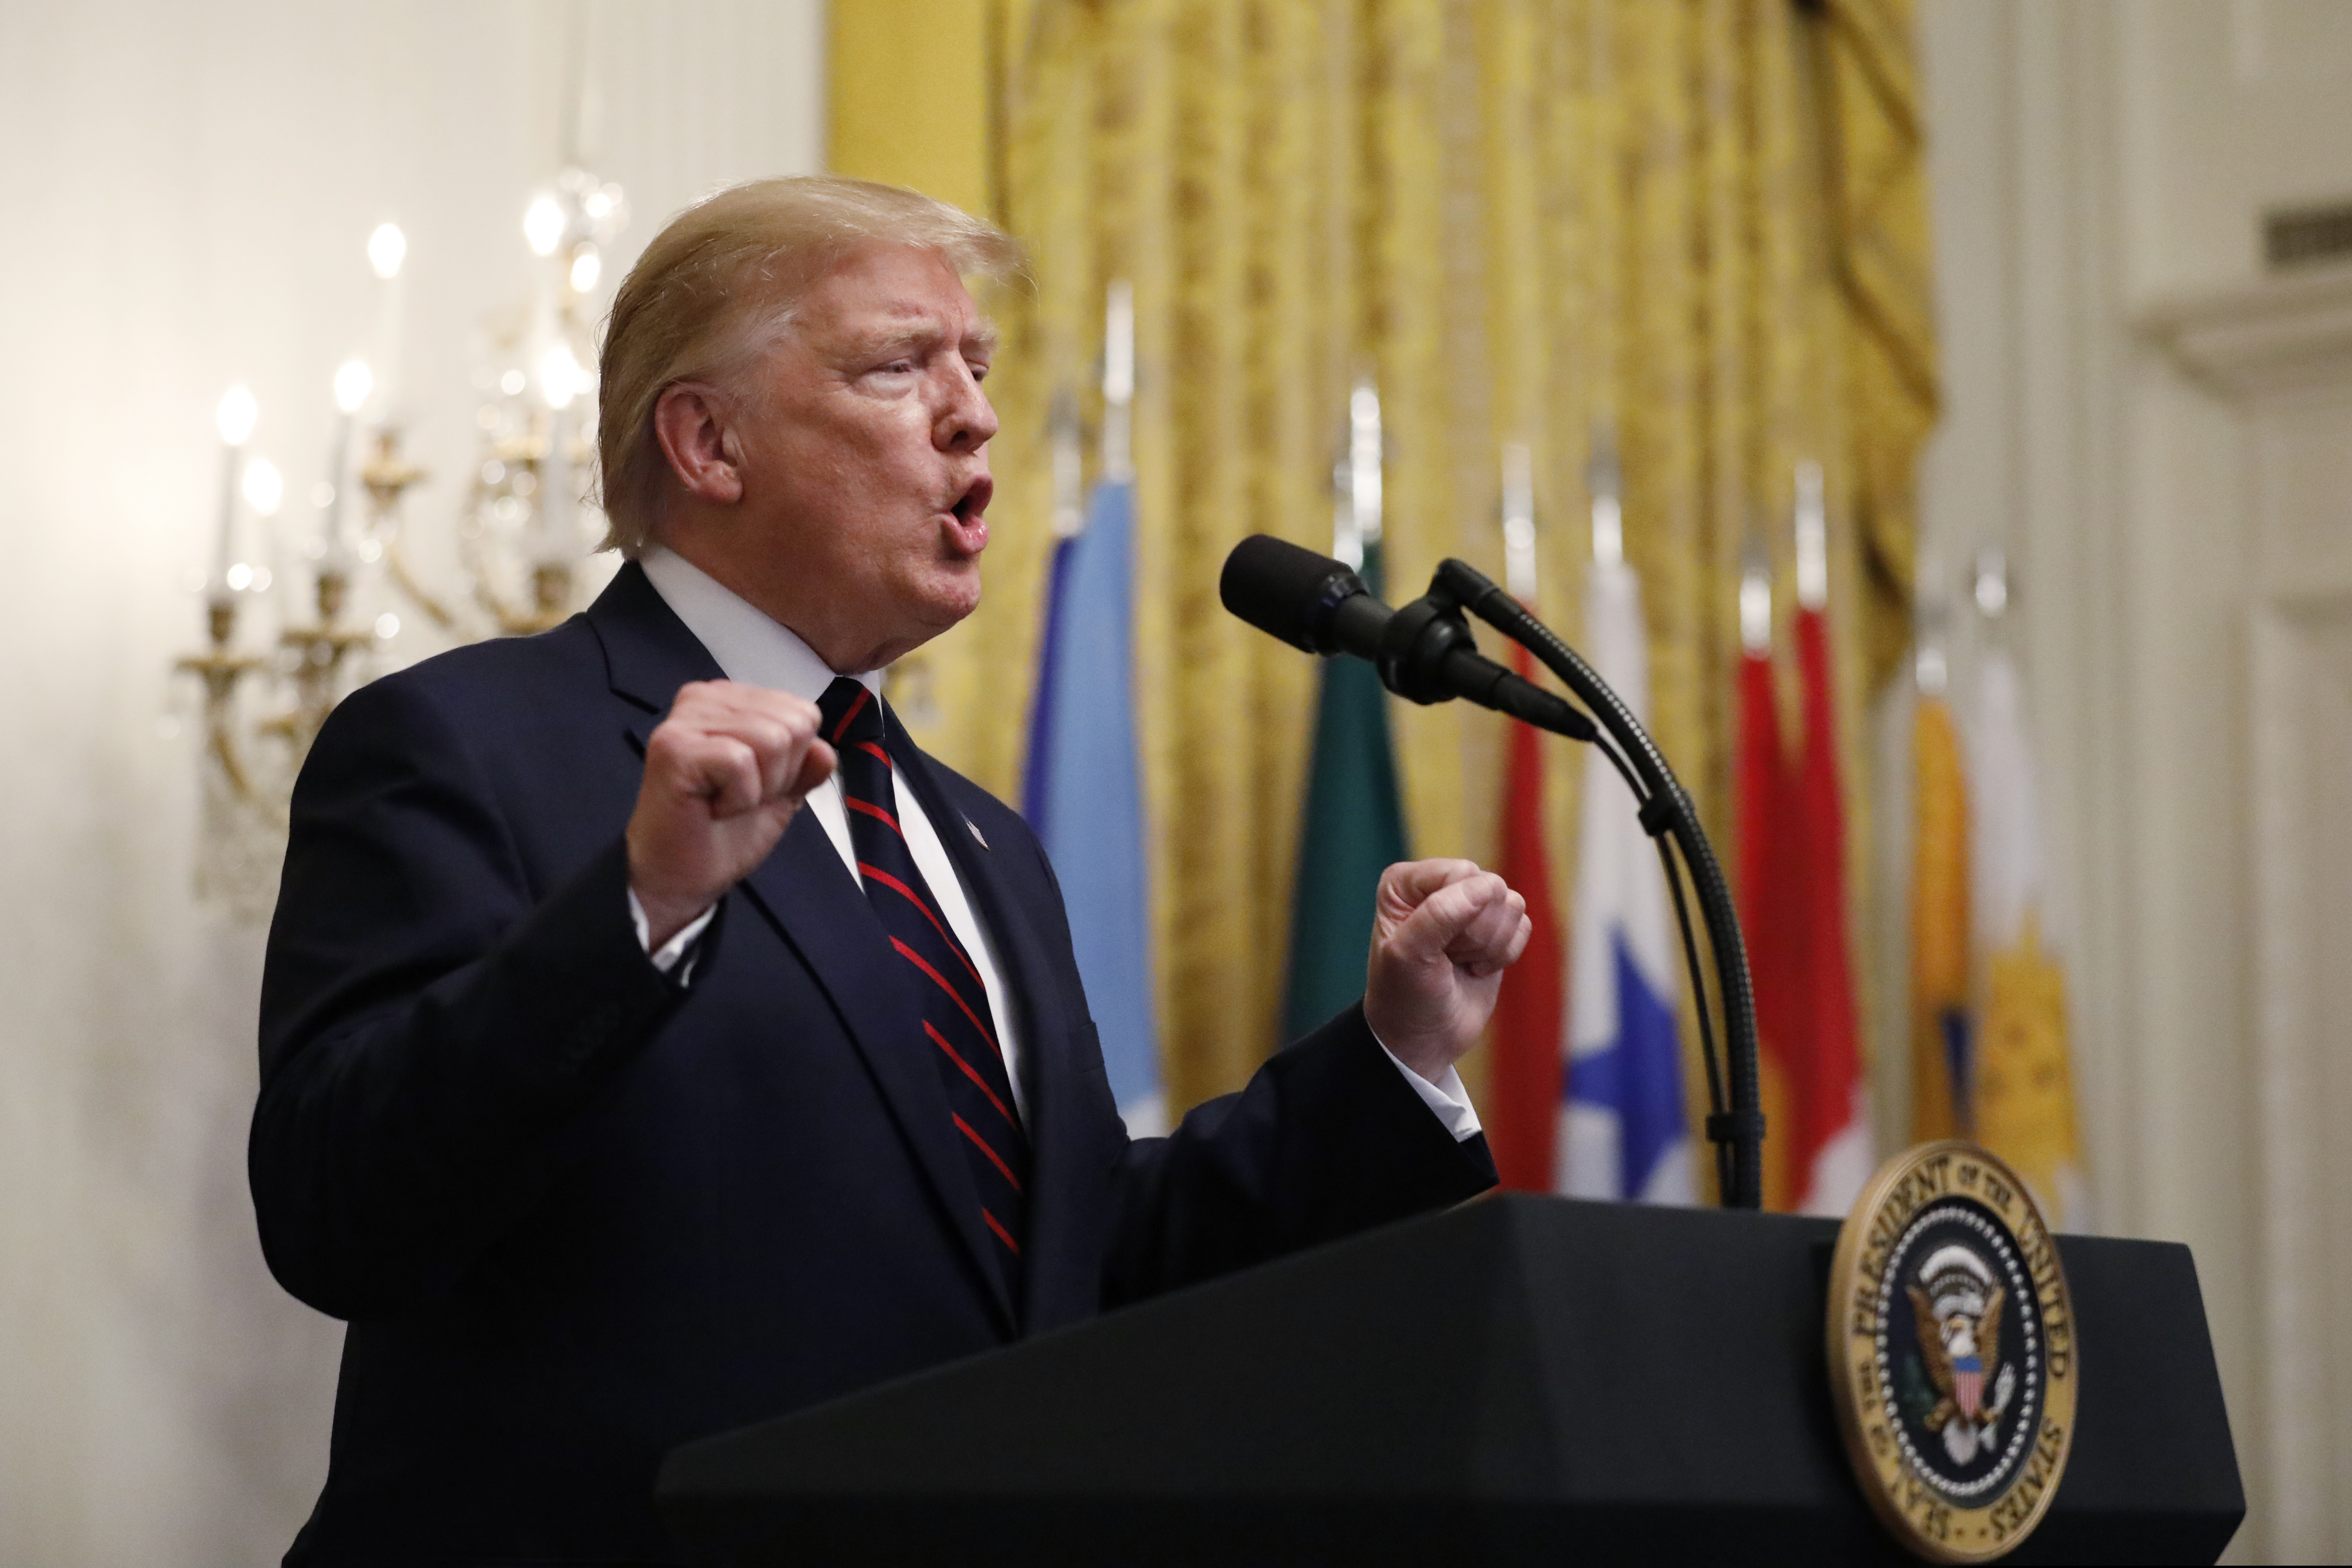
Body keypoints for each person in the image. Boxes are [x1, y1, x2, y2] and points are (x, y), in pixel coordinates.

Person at [251, 176, 1531, 1564]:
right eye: (898, 366)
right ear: (708, 442)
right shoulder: (466, 742)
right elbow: (340, 1211)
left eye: (976, 365)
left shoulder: (981, 839)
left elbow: (1068, 1263)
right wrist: (643, 907)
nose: (974, 410)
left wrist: (1392, 1056)